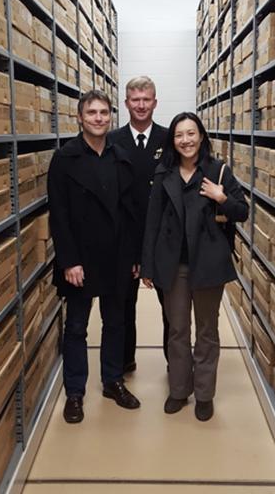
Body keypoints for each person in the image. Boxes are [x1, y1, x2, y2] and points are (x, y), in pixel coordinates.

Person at [140, 112, 249, 421]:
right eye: (179, 135)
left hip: (208, 264)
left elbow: (242, 211)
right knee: (176, 330)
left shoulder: (218, 171)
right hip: (173, 266)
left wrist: (222, 196)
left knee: (206, 331)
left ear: (201, 136)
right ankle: (178, 390)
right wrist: (148, 266)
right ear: (172, 141)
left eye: (191, 133)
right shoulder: (165, 173)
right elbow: (153, 223)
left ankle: (204, 394)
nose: (185, 140)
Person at [48, 90, 142, 424]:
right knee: (76, 327)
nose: (99, 118)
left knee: (116, 322)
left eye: (104, 112)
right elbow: (58, 215)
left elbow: (130, 212)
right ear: (80, 117)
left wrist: (133, 256)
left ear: (111, 116)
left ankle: (112, 381)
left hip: (116, 255)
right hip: (81, 260)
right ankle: (75, 392)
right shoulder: (65, 158)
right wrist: (69, 261)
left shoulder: (120, 156)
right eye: (92, 113)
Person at [107, 76, 170, 372]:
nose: (141, 105)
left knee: (172, 310)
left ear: (155, 102)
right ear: (126, 103)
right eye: (135, 99)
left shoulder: (170, 140)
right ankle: (124, 361)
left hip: (163, 240)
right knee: (123, 306)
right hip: (123, 240)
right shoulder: (111, 141)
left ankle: (176, 366)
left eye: (146, 99)